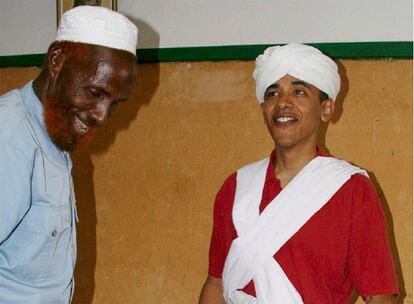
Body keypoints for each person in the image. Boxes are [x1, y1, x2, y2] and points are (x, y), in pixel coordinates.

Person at [199, 43, 399, 304]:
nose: (282, 103)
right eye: (272, 93)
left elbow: (380, 295)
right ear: (263, 109)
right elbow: (217, 284)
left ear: (326, 109)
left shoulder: (350, 189)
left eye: (298, 91)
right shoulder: (237, 187)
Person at [0, 6, 138, 303]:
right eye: (95, 92)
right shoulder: (9, 138)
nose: (102, 116)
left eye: (115, 103)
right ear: (56, 61)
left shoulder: (54, 133)